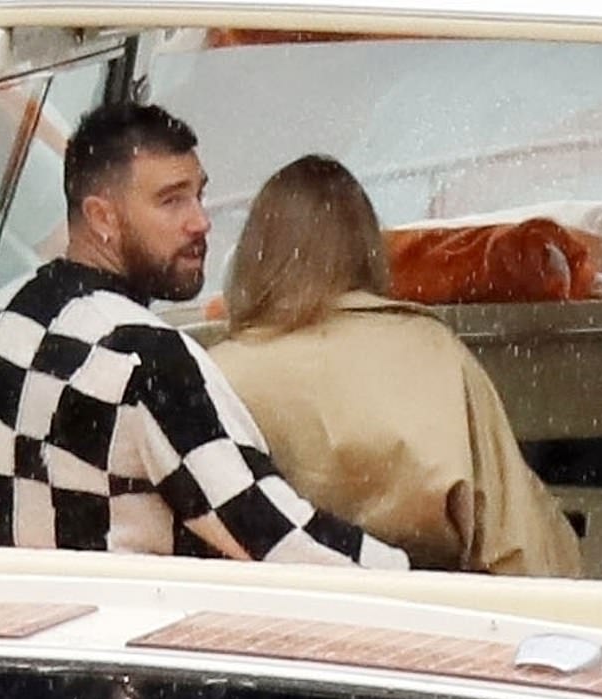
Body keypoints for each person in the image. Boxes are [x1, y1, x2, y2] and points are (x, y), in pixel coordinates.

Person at [0, 104, 409, 570]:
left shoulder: (0, 313)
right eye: (171, 201)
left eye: (198, 195)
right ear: (102, 218)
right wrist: (404, 572)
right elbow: (273, 535)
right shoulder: (147, 357)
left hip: (5, 607)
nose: (201, 222)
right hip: (119, 623)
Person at [209, 155, 581, 576]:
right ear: (367, 248)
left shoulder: (213, 372)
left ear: (254, 253)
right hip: (421, 608)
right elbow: (519, 543)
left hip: (254, 612)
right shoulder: (433, 353)